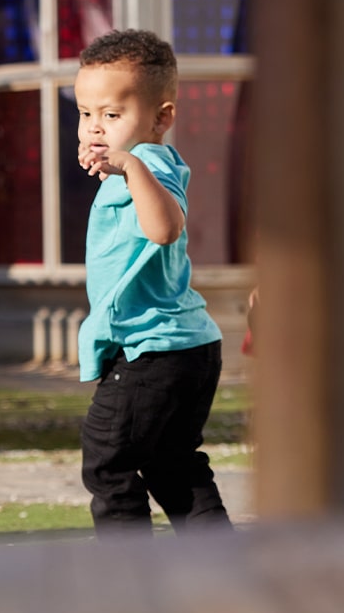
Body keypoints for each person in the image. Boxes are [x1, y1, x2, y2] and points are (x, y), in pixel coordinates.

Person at [72, 28, 231, 538]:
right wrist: (119, 166)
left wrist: (129, 164)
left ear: (161, 118)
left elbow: (165, 229)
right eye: (85, 114)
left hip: (153, 353)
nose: (95, 128)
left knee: (107, 457)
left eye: (111, 116)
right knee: (171, 463)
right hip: (185, 348)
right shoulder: (134, 168)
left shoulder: (152, 163)